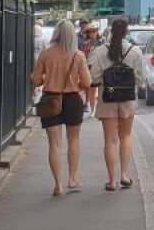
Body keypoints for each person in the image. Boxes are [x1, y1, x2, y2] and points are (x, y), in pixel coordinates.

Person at [31, 20, 92, 197]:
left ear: (56, 33)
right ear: (73, 35)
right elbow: (87, 82)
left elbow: (36, 80)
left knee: (54, 145)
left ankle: (58, 185)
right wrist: (76, 84)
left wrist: (46, 79)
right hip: (73, 100)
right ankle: (72, 179)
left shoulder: (46, 54)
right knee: (73, 140)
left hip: (51, 99)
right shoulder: (78, 55)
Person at [90, 19, 147, 191]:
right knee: (126, 137)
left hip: (107, 99)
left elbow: (94, 78)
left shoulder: (100, 51)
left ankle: (112, 181)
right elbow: (141, 80)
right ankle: (124, 175)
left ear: (111, 32)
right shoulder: (135, 51)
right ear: (127, 32)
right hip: (127, 100)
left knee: (110, 140)